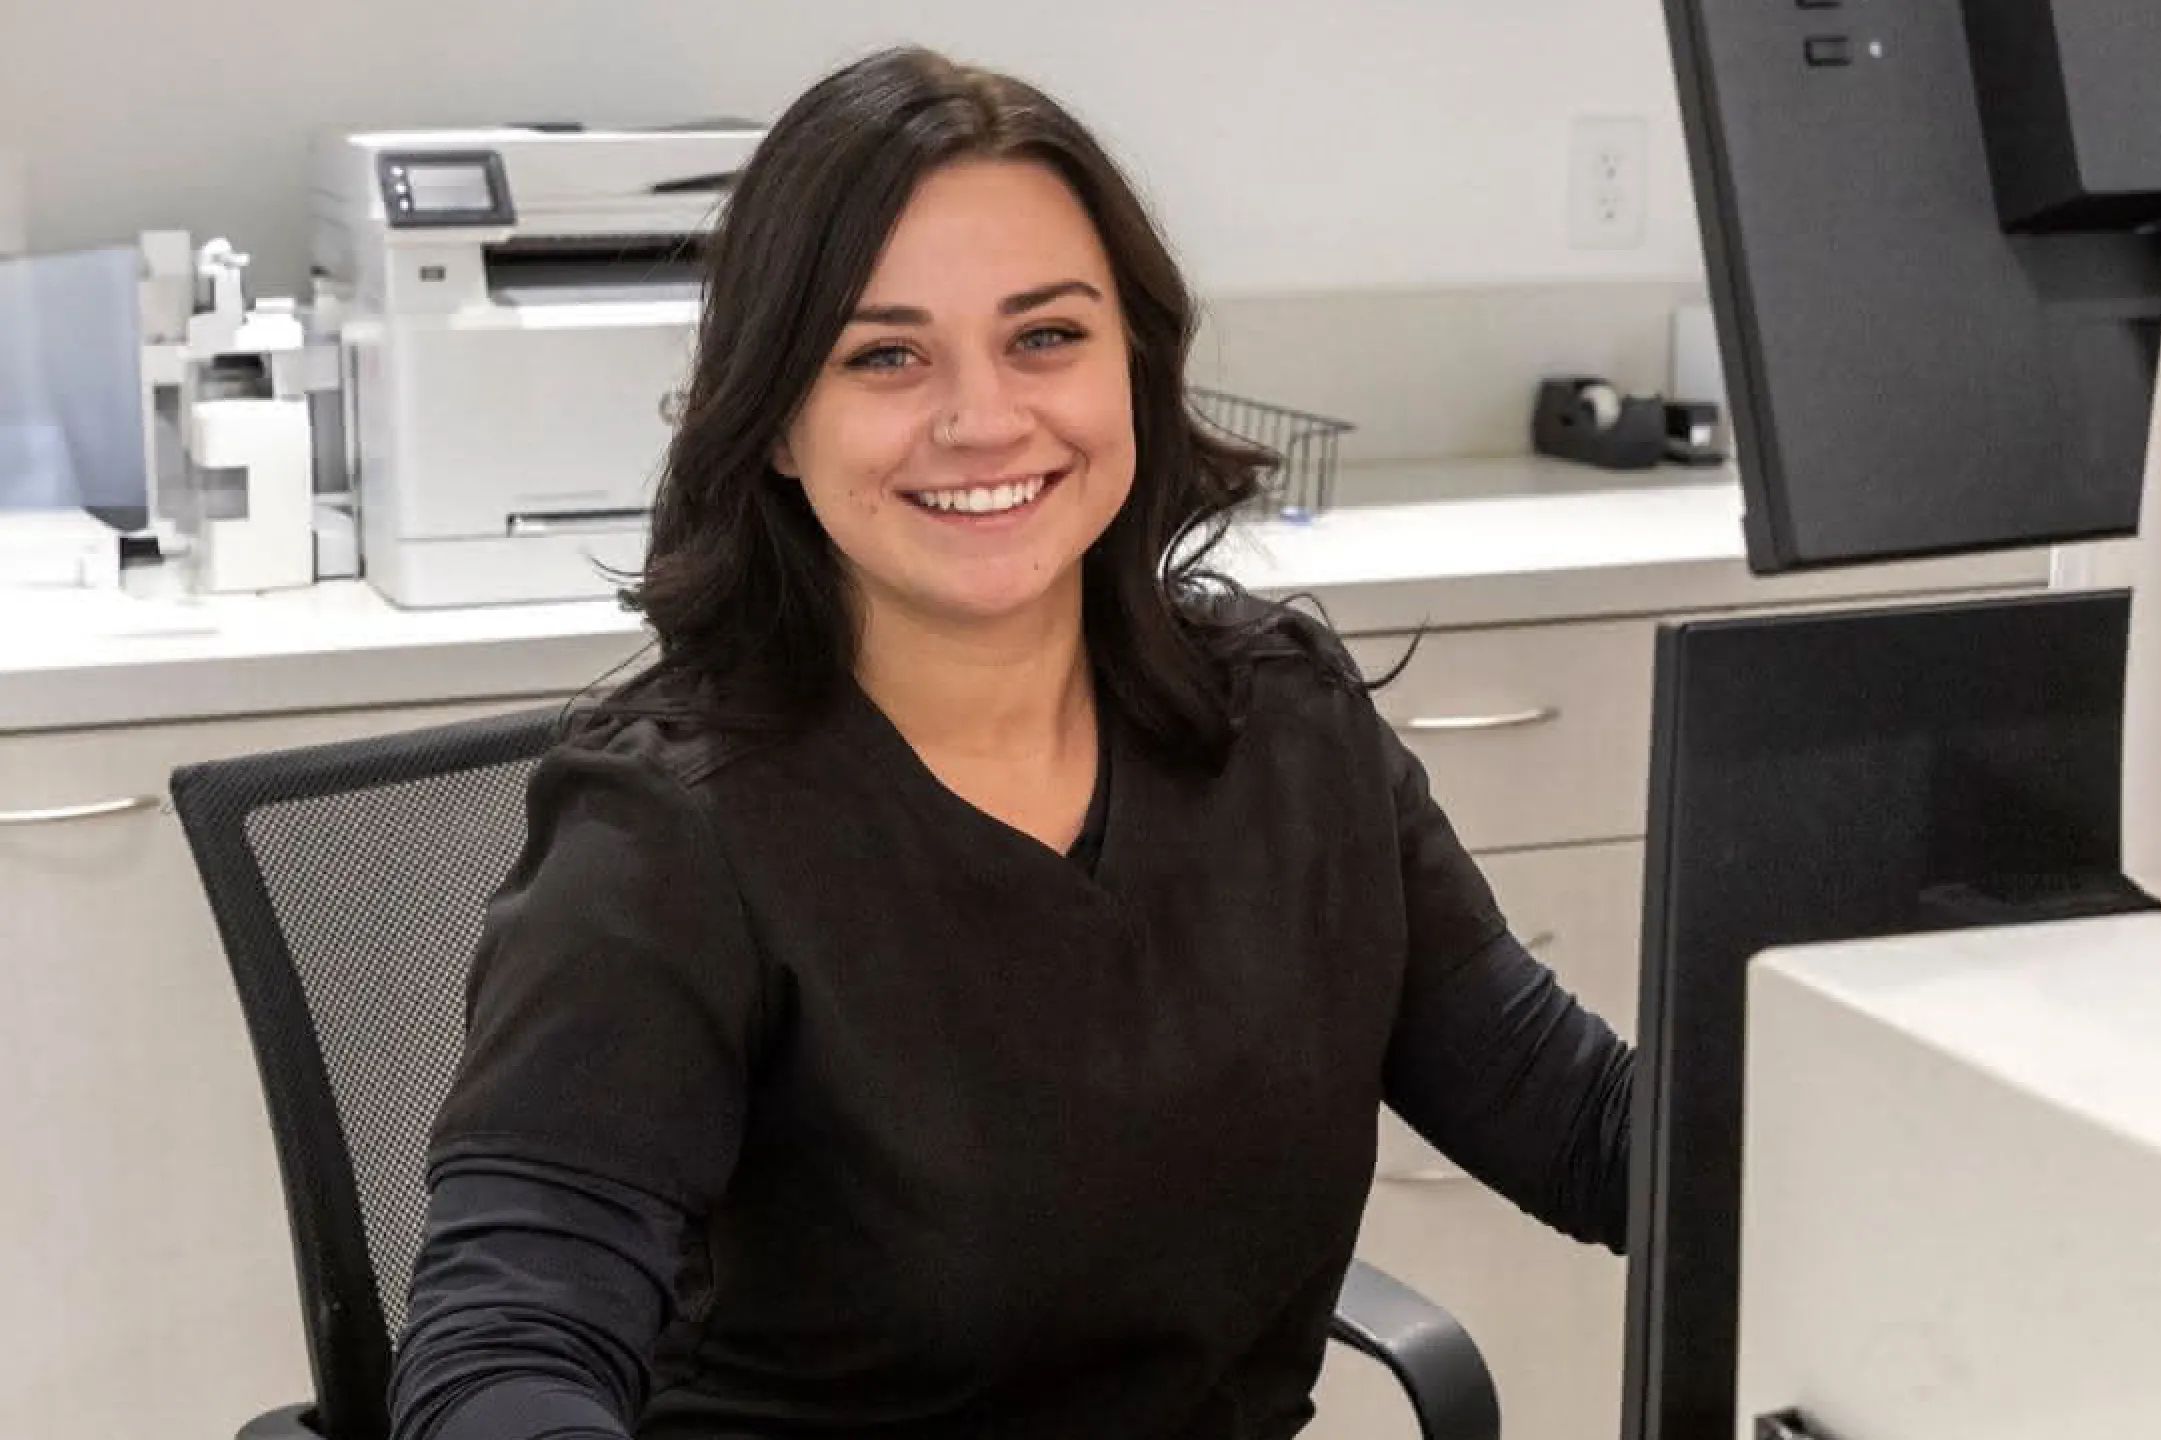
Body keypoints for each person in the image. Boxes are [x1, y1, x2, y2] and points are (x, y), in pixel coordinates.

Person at [388, 45, 1633, 1440]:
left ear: (1135, 370)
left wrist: (1879, 1080)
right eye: (885, 356)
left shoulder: (1285, 727)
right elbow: (506, 1350)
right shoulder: (671, 837)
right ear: (780, 424)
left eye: (1046, 337)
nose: (983, 420)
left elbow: (1585, 1128)